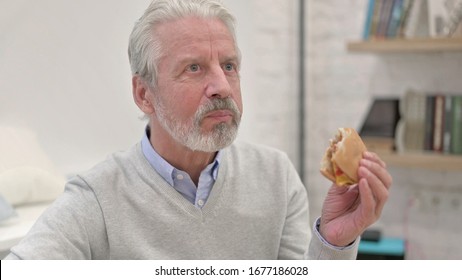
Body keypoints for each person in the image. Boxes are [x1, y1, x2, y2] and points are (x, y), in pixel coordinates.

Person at [5, 0, 392, 260]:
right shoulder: (96, 198)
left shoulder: (275, 176)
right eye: (194, 68)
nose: (222, 86)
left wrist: (334, 241)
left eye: (229, 65)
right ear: (144, 94)